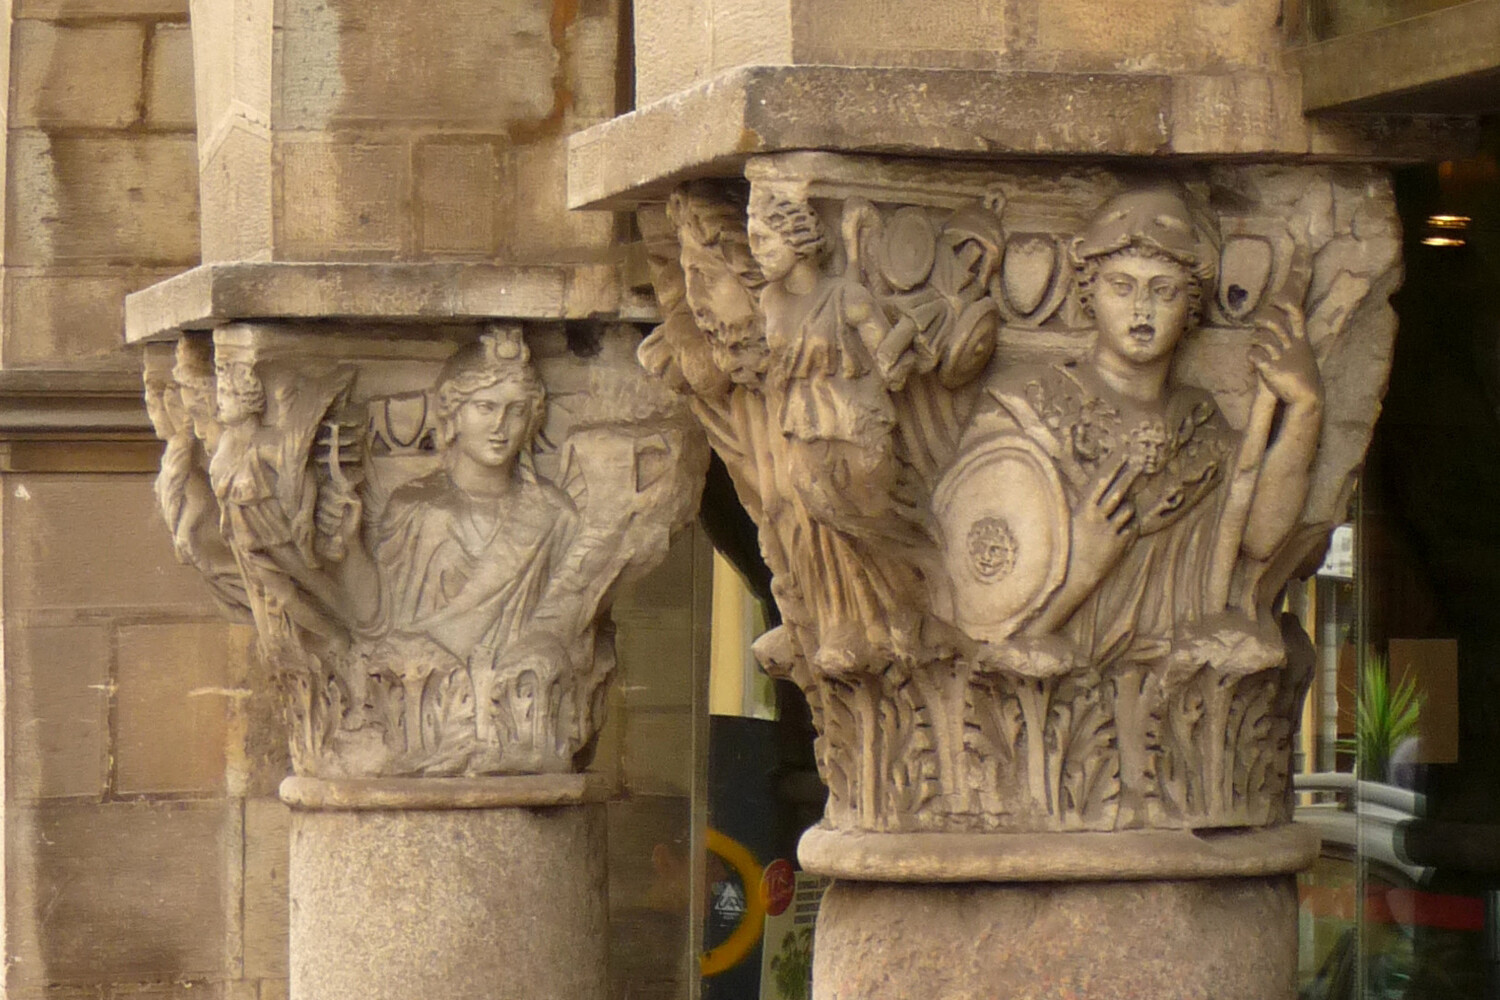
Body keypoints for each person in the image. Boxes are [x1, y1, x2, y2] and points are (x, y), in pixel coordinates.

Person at [957, 185, 1324, 663]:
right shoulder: (1024, 405)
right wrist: (1078, 570)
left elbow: (1256, 538)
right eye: (1121, 286)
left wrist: (1305, 409)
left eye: (1164, 290)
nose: (1141, 308)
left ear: (1191, 304)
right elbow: (977, 597)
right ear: (1089, 291)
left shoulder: (1201, 424)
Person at [373, 328, 579, 671]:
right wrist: (347, 548)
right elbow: (378, 622)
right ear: (453, 411)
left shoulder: (555, 514)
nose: (500, 425)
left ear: (531, 420)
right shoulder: (415, 509)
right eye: (485, 407)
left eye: (516, 410)